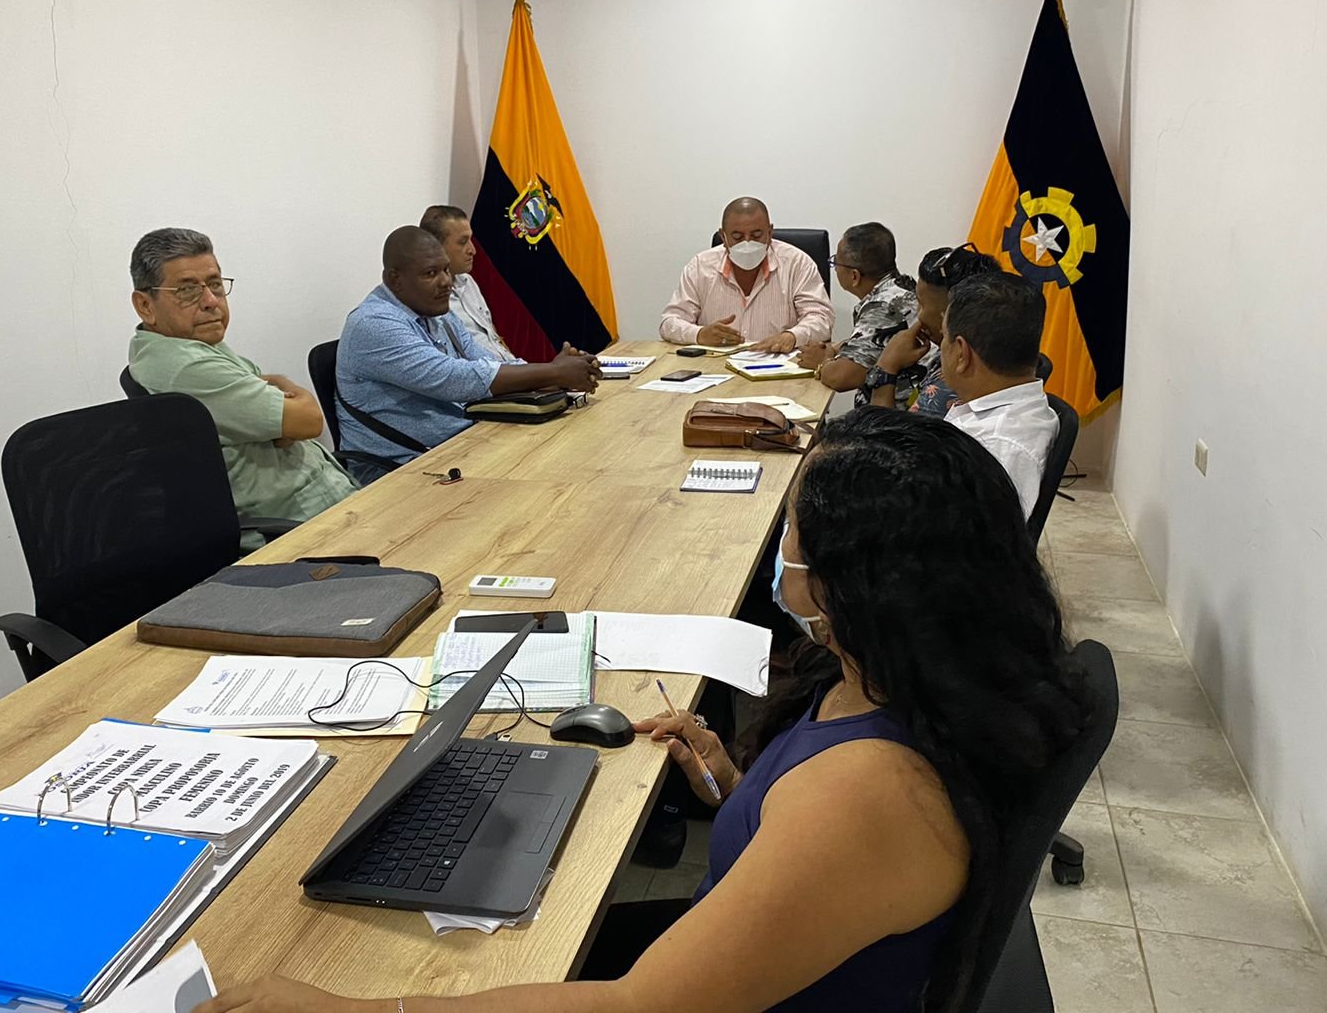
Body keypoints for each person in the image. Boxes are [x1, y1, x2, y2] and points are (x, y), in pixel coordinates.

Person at [194, 408, 1093, 1013]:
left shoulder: (871, 793)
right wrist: (734, 787)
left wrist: (351, 1009)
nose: (781, 552)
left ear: (851, 580)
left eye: (793, 532)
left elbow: (637, 1006)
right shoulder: (897, 676)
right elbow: (814, 849)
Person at [126, 228, 355, 536]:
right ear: (145, 305)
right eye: (187, 290)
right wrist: (280, 408)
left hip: (327, 501)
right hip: (301, 525)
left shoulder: (191, 342)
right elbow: (309, 421)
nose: (210, 301)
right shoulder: (186, 366)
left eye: (215, 284)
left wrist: (275, 407)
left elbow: (282, 413)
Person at [335, 227, 602, 483]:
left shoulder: (434, 312)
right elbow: (453, 379)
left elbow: (485, 362)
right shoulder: (373, 323)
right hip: (403, 470)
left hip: (459, 446)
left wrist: (554, 375)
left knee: (575, 458)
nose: (446, 282)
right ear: (395, 279)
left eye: (446, 270)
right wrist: (553, 372)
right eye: (430, 273)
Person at [939, 272, 1060, 518]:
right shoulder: (1015, 408)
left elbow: (970, 538)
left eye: (943, 336)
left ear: (962, 354)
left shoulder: (995, 447)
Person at [659, 197, 833, 353]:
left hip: (778, 366)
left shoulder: (797, 263)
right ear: (723, 236)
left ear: (770, 232)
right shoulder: (700, 266)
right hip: (715, 366)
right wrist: (699, 334)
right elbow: (669, 322)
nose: (747, 243)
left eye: (756, 235)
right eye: (737, 237)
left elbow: (822, 318)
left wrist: (792, 336)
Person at [865, 242, 1002, 416]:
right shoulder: (991, 358)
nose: (918, 314)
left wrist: (886, 367)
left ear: (948, 315)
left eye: (921, 304)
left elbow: (877, 434)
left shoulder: (948, 389)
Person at [797, 222, 918, 407]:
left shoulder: (882, 307)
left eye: (835, 263)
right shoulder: (903, 288)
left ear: (854, 276)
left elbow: (842, 377)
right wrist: (837, 348)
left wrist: (821, 362)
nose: (835, 268)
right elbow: (878, 343)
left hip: (897, 417)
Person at [419, 204, 519, 363]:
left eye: (470, 240)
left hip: (507, 367)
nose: (473, 250)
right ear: (435, 246)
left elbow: (493, 340)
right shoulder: (426, 298)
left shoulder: (468, 281)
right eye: (463, 242)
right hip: (483, 374)